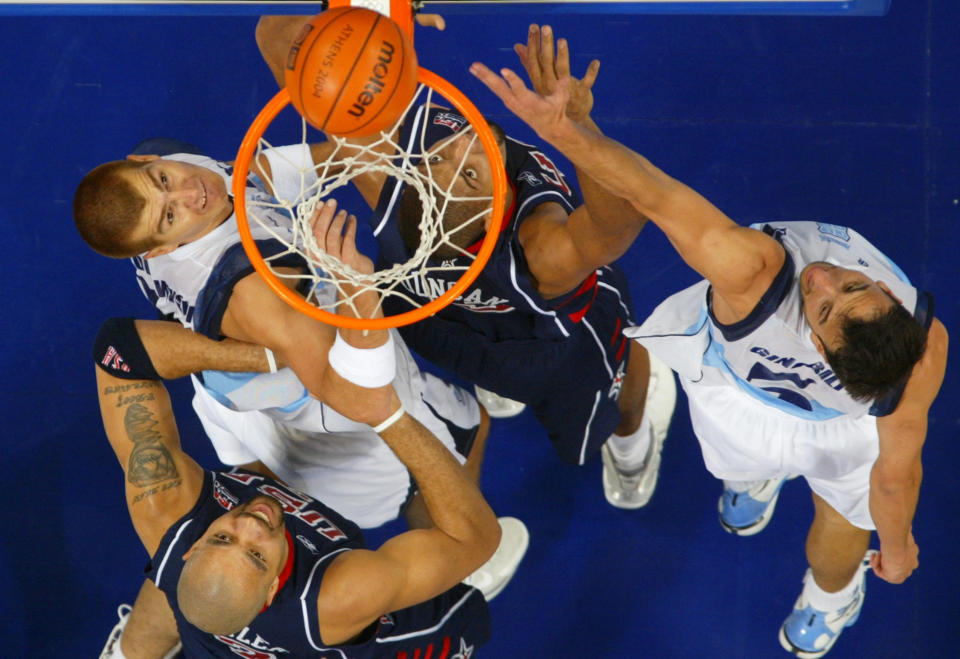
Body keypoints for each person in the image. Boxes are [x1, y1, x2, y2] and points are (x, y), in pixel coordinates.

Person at [469, 34, 948, 658]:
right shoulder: (922, 344)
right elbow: (895, 475)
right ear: (886, 291)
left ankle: (820, 575)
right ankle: (829, 600)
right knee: (850, 517)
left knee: (803, 507)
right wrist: (902, 548)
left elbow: (656, 195)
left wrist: (573, 131)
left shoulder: (755, 274)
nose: (822, 276)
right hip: (839, 426)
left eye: (824, 307)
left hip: (739, 396)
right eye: (854, 284)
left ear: (825, 353)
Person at [256, 17, 678, 509]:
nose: (467, 143)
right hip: (493, 342)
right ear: (489, 211)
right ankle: (608, 436)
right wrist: (575, 130)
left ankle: (621, 441)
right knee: (560, 390)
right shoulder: (532, 250)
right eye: (473, 174)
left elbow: (274, 32)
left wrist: (370, 13)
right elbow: (621, 220)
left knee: (587, 407)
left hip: (502, 339)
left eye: (442, 158)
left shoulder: (399, 170)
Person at [73, 135, 528, 589]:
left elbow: (249, 175)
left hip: (251, 394)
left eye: (164, 179)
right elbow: (359, 397)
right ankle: (467, 572)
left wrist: (356, 146)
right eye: (170, 215)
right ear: (157, 251)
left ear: (146, 159)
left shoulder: (174, 172)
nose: (192, 193)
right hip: (337, 415)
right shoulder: (256, 294)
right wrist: (358, 291)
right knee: (466, 432)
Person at [93, 274, 501, 658]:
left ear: (193, 548)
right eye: (256, 555)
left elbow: (116, 351)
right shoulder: (339, 597)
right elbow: (477, 539)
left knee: (180, 590)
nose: (251, 524)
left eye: (221, 539)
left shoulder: (164, 507)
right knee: (458, 610)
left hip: (208, 623)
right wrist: (386, 416)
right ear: (272, 589)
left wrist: (270, 357)